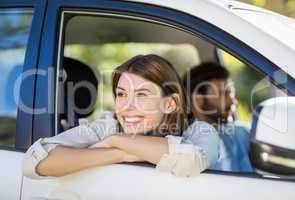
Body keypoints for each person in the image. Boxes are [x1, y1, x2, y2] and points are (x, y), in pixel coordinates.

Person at [22, 54, 219, 179]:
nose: (127, 106)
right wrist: (119, 153)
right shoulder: (109, 125)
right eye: (122, 94)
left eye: (141, 94)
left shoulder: (200, 131)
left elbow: (190, 160)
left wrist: (117, 140)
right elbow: (35, 162)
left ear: (170, 103)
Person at [183, 62, 253, 172]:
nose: (233, 102)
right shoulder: (187, 145)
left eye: (231, 94)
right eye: (223, 94)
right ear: (198, 100)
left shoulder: (241, 133)